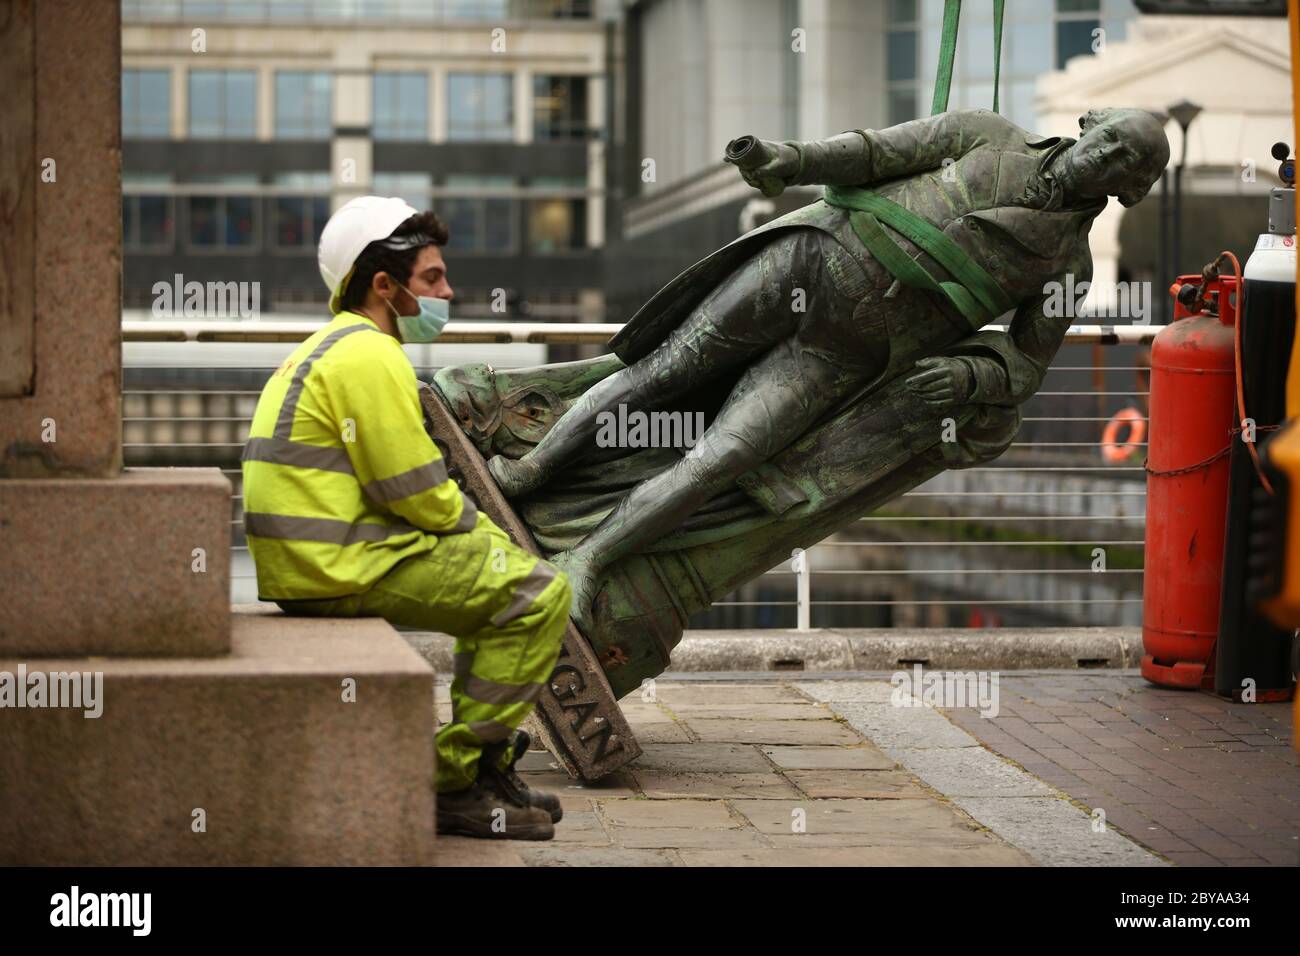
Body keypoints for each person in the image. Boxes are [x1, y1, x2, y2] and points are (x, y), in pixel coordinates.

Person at [487, 107, 1170, 635]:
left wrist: (970, 380)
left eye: (1126, 161)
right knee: (662, 373)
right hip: (812, 262)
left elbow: (1026, 365)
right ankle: (531, 471)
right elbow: (874, 153)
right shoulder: (987, 134)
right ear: (1089, 125)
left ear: (1130, 189)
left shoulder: (1067, 268)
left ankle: (588, 560)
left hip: (847, 353)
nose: (1106, 156)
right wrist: (792, 159)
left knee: (720, 459)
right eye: (1110, 138)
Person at [240, 196, 571, 841]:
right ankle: (453, 779)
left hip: (312, 561)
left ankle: (484, 766)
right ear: (383, 286)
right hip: (338, 566)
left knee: (497, 586)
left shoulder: (327, 347)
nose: (448, 291)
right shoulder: (370, 354)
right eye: (432, 280)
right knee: (536, 594)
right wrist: (486, 529)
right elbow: (415, 491)